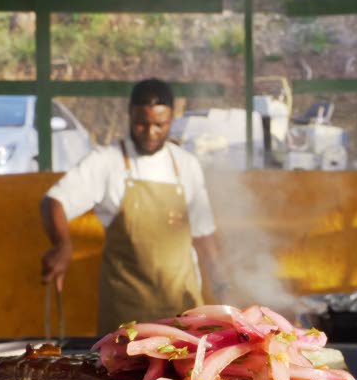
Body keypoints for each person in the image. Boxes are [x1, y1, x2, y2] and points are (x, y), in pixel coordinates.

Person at [40, 78, 230, 334]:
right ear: (130, 114)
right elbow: (54, 201)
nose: (150, 133)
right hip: (126, 317)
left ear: (171, 119)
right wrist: (63, 245)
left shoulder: (186, 165)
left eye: (159, 125)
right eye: (142, 123)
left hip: (182, 314)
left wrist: (223, 287)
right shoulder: (107, 161)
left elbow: (203, 234)